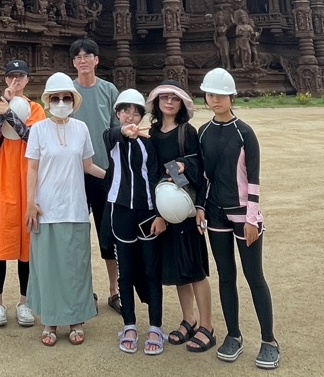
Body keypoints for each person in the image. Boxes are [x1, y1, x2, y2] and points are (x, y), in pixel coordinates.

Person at [196, 67, 280, 368]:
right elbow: (203, 177)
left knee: (254, 276)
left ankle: (269, 340)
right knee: (225, 275)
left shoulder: (245, 133)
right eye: (210, 95)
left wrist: (252, 218)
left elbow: (254, 179)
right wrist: (200, 207)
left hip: (244, 214)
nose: (215, 100)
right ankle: (233, 334)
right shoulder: (202, 133)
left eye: (220, 95)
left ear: (232, 97)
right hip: (215, 213)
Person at [25, 72, 107, 346]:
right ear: (48, 101)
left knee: (75, 266)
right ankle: (50, 320)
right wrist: (30, 202)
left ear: (73, 101)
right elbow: (32, 168)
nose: (61, 103)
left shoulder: (81, 129)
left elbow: (88, 165)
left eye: (66, 98)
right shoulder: (38, 129)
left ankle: (76, 319)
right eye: (56, 98)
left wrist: (114, 177)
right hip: (46, 208)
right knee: (48, 267)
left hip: (75, 207)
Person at [147, 80, 215, 353]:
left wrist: (199, 207)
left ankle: (207, 326)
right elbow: (152, 172)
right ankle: (189, 319)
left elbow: (199, 169)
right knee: (178, 270)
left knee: (195, 269)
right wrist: (159, 213)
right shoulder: (152, 133)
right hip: (165, 209)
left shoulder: (187, 132)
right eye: (164, 97)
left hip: (186, 209)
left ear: (181, 104)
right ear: (157, 102)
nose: (169, 102)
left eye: (174, 98)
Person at [0, 59, 46, 328]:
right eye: (11, 76)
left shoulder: (36, 108)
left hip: (27, 177)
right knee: (0, 238)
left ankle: (24, 301)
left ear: (28, 79)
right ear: (6, 79)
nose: (16, 81)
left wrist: (9, 112)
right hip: (1, 177)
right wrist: (4, 106)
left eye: (20, 76)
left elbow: (29, 136)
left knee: (26, 241)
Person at [103, 88, 166, 355]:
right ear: (117, 114)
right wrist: (124, 132)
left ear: (143, 116)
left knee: (152, 271)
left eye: (136, 112)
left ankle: (155, 327)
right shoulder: (112, 137)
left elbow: (157, 174)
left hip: (148, 212)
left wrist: (161, 213)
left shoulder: (149, 141)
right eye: (125, 111)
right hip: (121, 211)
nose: (131, 116)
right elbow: (111, 135)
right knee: (126, 272)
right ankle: (129, 324)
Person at [68, 37, 121, 311]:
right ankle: (84, 290)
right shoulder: (67, 91)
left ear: (96, 60)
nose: (83, 60)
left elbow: (116, 129)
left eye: (88, 55)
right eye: (78, 57)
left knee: (107, 232)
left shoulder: (109, 90)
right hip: (73, 175)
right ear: (74, 62)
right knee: (77, 233)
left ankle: (115, 290)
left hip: (102, 172)